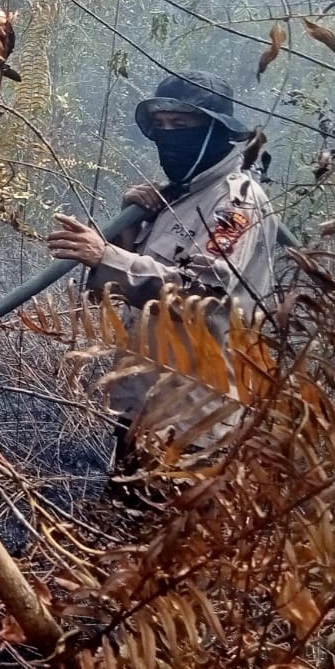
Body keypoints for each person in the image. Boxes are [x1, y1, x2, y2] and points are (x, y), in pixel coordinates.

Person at [45, 71, 277, 457]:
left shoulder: (237, 203)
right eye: (162, 126)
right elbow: (125, 291)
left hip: (192, 423)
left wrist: (104, 255)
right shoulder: (175, 197)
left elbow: (199, 297)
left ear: (214, 131)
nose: (169, 135)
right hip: (144, 406)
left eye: (181, 125)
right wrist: (129, 224)